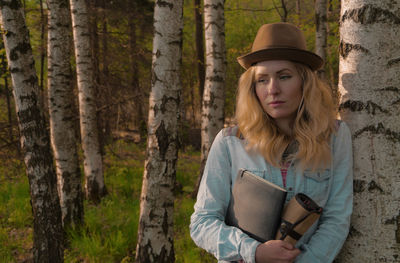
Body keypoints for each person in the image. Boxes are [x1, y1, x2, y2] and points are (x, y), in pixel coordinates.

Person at [190, 22, 353, 263]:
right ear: (252, 88)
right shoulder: (229, 143)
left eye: (284, 76)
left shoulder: (335, 136)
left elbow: (337, 218)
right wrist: (254, 252)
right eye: (262, 80)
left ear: (304, 82)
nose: (273, 89)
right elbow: (202, 223)